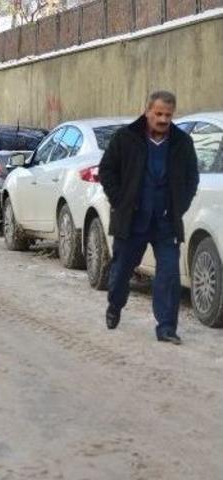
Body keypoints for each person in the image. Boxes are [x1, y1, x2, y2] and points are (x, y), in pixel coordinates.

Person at [99, 91, 199, 345]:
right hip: (132, 221)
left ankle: (166, 327)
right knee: (122, 270)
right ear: (147, 112)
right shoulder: (126, 138)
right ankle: (115, 305)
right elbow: (107, 171)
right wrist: (120, 202)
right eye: (159, 114)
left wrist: (179, 207)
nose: (163, 119)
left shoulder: (181, 143)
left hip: (166, 223)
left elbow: (191, 179)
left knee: (169, 275)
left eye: (168, 114)